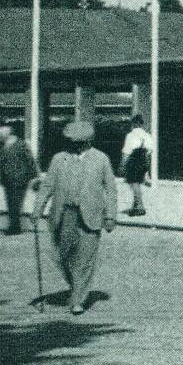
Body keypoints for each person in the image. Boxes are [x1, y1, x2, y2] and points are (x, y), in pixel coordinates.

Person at [31, 120, 117, 315]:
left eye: (79, 143)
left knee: (85, 259)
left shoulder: (101, 159)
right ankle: (76, 285)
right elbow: (47, 186)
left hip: (91, 215)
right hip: (64, 214)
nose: (74, 146)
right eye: (71, 142)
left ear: (88, 141)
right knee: (62, 256)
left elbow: (111, 190)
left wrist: (111, 216)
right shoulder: (58, 159)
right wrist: (37, 210)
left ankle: (77, 298)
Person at [0, 125, 39, 235]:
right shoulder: (3, 146)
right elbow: (1, 163)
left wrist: (35, 177)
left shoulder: (21, 145)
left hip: (20, 179)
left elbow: (30, 161)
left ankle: (14, 228)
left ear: (6, 135)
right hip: (8, 180)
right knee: (11, 204)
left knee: (16, 204)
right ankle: (14, 226)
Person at [121, 114, 153, 216]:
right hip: (144, 161)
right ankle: (135, 206)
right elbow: (150, 151)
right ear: (142, 124)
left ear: (134, 123)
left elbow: (126, 152)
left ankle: (140, 206)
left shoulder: (130, 136)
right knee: (138, 183)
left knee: (134, 184)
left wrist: (123, 165)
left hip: (133, 161)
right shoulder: (147, 136)